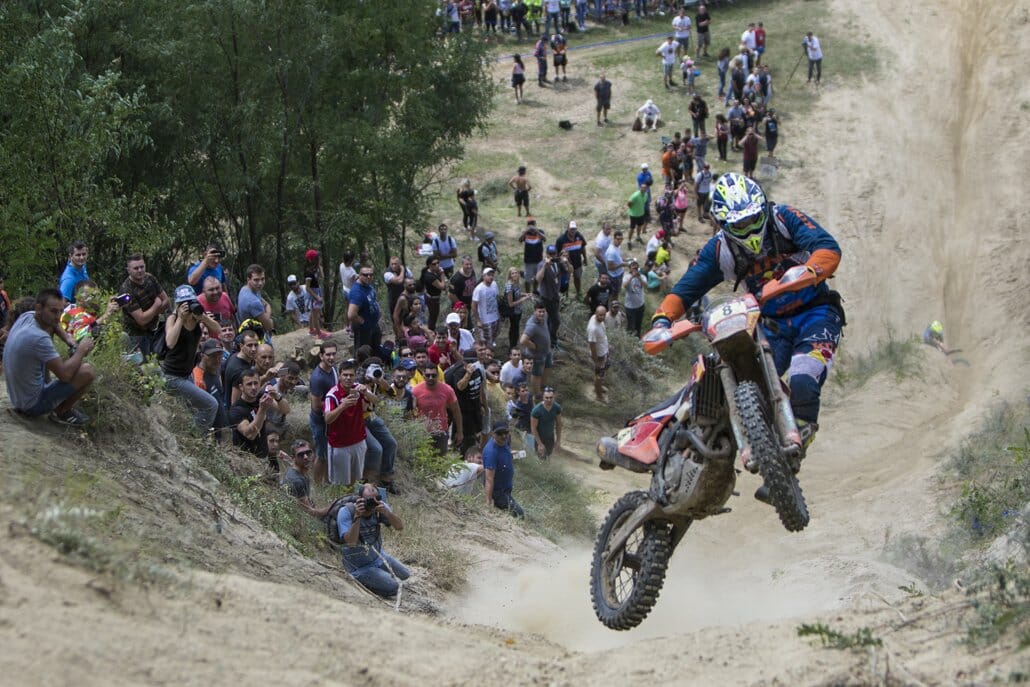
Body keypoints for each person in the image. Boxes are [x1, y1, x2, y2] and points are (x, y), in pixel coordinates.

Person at [650, 173, 844, 491]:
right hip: (770, 326)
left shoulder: (784, 219)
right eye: (740, 225)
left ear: (763, 208)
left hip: (816, 312)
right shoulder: (720, 250)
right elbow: (686, 289)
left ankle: (789, 462)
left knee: (804, 379)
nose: (749, 228)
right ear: (725, 224)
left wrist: (809, 270)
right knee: (745, 384)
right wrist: (662, 320)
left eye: (754, 219)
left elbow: (828, 247)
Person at [3, 288, 96, 425]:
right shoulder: (39, 338)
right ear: (38, 308)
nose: (58, 316)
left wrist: (68, 339)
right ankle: (62, 412)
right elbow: (65, 376)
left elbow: (55, 325)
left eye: (60, 311)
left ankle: (47, 386)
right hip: (31, 405)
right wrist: (81, 350)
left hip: (17, 397)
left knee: (50, 326)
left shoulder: (27, 316)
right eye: (53, 311)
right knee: (87, 371)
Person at [162, 285, 222, 431]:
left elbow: (218, 330)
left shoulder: (196, 318)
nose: (187, 306)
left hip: (187, 374)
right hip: (172, 376)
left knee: (192, 411)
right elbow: (170, 342)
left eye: (190, 302)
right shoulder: (172, 319)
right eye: (183, 303)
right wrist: (180, 319)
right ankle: (194, 436)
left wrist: (203, 316)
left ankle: (189, 434)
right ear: (177, 305)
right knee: (211, 405)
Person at [337, 482, 409, 598]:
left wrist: (386, 512)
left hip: (378, 557)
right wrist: (358, 517)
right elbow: (351, 542)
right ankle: (361, 579)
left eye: (376, 499)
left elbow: (399, 527)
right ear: (359, 499)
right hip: (359, 567)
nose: (372, 504)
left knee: (405, 574)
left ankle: (378, 577)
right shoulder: (346, 512)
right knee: (394, 587)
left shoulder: (380, 508)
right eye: (369, 500)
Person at [324, 359, 375, 485]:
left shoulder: (358, 388)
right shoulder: (332, 395)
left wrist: (366, 392)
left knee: (356, 480)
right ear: (339, 376)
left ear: (355, 376)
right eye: (345, 375)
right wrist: (343, 406)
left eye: (351, 375)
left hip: (359, 441)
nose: (348, 378)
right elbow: (327, 419)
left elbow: (376, 400)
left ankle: (354, 497)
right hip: (340, 445)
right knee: (339, 484)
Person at [230, 368, 285, 469]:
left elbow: (284, 410)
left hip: (263, 458)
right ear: (241, 387)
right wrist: (262, 410)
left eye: (256, 383)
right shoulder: (237, 409)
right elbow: (250, 434)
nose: (253, 387)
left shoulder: (261, 397)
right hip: (246, 461)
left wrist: (277, 396)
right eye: (249, 384)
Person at [119, 254, 170, 357]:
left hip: (155, 329)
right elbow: (141, 320)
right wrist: (156, 305)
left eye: (142, 267)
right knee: (143, 364)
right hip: (136, 335)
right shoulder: (126, 289)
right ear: (128, 270)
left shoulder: (149, 278)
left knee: (157, 360)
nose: (140, 270)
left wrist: (149, 314)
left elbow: (166, 301)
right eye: (136, 268)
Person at [412, 362, 462, 454]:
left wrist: (459, 432)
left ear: (438, 375)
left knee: (440, 459)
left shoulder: (447, 390)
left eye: (433, 375)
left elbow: (456, 411)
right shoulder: (416, 391)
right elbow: (411, 412)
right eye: (428, 375)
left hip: (441, 431)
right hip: (422, 432)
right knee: (423, 458)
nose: (431, 378)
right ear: (423, 375)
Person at [444, 352, 488, 454]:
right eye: (469, 362)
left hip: (475, 409)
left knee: (474, 435)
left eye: (473, 361)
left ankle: (470, 454)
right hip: (463, 412)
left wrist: (483, 405)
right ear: (464, 362)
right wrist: (468, 374)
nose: (471, 364)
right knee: (461, 438)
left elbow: (481, 389)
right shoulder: (459, 373)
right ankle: (459, 455)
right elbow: (460, 387)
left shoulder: (478, 371)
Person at [308, 341, 339, 481]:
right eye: (328, 355)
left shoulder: (333, 369)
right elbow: (316, 405)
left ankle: (328, 481)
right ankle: (317, 484)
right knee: (321, 455)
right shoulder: (318, 378)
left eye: (333, 354)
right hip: (320, 421)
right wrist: (337, 405)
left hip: (331, 418)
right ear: (321, 356)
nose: (331, 357)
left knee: (329, 453)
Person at [483, 421, 524, 517]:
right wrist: (488, 502)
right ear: (493, 434)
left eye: (506, 432)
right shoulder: (491, 452)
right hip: (498, 491)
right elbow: (489, 479)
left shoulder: (504, 441)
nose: (504, 436)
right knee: (519, 514)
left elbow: (504, 452)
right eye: (499, 433)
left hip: (506, 489)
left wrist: (512, 454)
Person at [193, 339, 230, 432]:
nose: (217, 360)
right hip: (211, 431)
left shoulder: (216, 369)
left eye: (220, 355)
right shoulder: (198, 379)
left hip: (222, 427)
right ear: (202, 356)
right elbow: (198, 411)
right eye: (213, 356)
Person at [535, 245, 568, 345]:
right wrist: (545, 265)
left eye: (554, 254)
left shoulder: (558, 263)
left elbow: (569, 271)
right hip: (545, 296)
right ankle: (551, 340)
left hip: (555, 296)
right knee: (555, 320)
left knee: (551, 319)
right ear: (546, 254)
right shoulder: (542, 264)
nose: (552, 256)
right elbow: (538, 279)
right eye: (550, 254)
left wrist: (566, 262)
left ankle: (549, 338)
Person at [519, 301, 552, 398]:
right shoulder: (532, 325)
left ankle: (543, 385)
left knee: (548, 367)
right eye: (539, 312)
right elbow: (523, 340)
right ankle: (537, 394)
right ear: (534, 312)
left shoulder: (545, 316)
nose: (542, 314)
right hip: (537, 354)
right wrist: (534, 346)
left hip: (547, 350)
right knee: (537, 374)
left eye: (543, 311)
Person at [348, 264, 382, 353]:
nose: (369, 277)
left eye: (371, 274)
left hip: (374, 325)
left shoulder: (368, 286)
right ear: (359, 275)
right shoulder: (357, 292)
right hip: (363, 329)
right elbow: (351, 314)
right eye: (365, 275)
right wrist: (363, 322)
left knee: (376, 351)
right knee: (363, 353)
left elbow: (373, 299)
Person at [237, 264, 274, 337]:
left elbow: (266, 304)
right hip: (256, 336)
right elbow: (269, 327)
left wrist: (266, 312)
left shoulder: (245, 289)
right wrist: (268, 317)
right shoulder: (253, 301)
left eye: (262, 279)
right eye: (256, 280)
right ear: (248, 280)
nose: (260, 283)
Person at [554, 221, 587, 298]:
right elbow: (556, 254)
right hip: (565, 264)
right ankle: (566, 296)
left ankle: (578, 293)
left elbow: (583, 248)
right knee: (566, 280)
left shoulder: (579, 236)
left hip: (577, 262)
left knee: (578, 278)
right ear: (567, 228)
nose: (573, 231)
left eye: (574, 229)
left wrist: (585, 258)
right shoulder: (561, 239)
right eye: (571, 229)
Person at [303, 249, 329, 339]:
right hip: (313, 294)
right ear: (312, 260)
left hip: (316, 291)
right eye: (317, 258)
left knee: (313, 312)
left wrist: (319, 267)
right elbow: (307, 288)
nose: (319, 259)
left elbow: (322, 276)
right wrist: (317, 297)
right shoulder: (308, 273)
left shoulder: (315, 269)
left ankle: (311, 329)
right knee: (315, 314)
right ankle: (319, 333)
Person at [472, 267, 501, 349]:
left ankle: (490, 347)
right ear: (483, 276)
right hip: (485, 319)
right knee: (487, 339)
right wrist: (478, 320)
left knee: (496, 333)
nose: (491, 277)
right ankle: (488, 352)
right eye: (488, 275)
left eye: (492, 275)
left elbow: (497, 298)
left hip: (496, 316)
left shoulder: (494, 284)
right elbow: (474, 305)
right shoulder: (479, 289)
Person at [530, 386, 562, 459]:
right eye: (546, 398)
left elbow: (559, 424)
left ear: (554, 397)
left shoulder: (557, 407)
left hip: (550, 437)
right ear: (543, 397)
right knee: (539, 458)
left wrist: (558, 440)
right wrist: (540, 443)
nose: (549, 400)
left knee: (548, 456)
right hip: (539, 438)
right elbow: (533, 428)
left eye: (551, 397)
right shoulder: (536, 410)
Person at [586, 306, 609, 401]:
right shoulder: (593, 328)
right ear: (596, 314)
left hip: (603, 351)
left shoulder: (596, 319)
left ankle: (598, 387)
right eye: (600, 315)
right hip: (599, 355)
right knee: (599, 375)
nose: (602, 317)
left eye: (604, 315)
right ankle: (599, 396)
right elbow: (592, 345)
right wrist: (596, 361)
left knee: (602, 373)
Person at [420, 256, 447, 330]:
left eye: (438, 263)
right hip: (433, 299)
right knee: (433, 317)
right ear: (429, 265)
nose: (437, 265)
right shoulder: (430, 277)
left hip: (432, 297)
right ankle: (431, 331)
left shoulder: (433, 272)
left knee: (433, 316)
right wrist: (442, 274)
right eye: (434, 264)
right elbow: (442, 286)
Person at [622, 260, 646, 337]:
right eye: (633, 267)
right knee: (630, 325)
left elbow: (645, 285)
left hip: (640, 305)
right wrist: (632, 277)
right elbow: (625, 286)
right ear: (630, 268)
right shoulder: (626, 276)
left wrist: (638, 277)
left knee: (638, 324)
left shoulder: (642, 276)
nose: (635, 269)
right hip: (630, 306)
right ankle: (629, 338)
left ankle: (637, 337)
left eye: (636, 267)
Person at [604, 231, 627, 300]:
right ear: (614, 239)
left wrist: (625, 260)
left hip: (619, 273)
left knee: (617, 291)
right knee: (614, 293)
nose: (620, 241)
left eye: (621, 239)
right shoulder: (611, 252)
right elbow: (610, 268)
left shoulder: (618, 246)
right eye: (618, 239)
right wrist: (621, 265)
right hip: (615, 276)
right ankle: (613, 304)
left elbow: (618, 257)